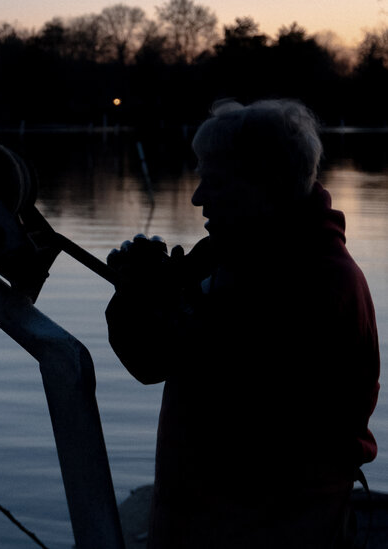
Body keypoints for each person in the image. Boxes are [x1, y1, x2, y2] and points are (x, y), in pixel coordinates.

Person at [105, 99, 380, 548]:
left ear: (263, 185)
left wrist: (159, 302)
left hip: (275, 527)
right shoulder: (226, 253)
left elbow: (231, 383)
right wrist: (135, 296)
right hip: (200, 520)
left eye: (213, 181)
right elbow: (152, 361)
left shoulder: (320, 282)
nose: (197, 197)